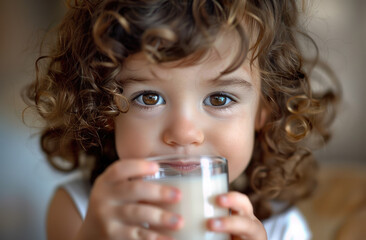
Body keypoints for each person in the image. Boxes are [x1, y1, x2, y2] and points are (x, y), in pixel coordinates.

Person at [23, 0, 340, 239]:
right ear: (104, 107)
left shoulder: (282, 228)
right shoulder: (82, 212)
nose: (184, 133)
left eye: (219, 99)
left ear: (262, 112)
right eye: (149, 97)